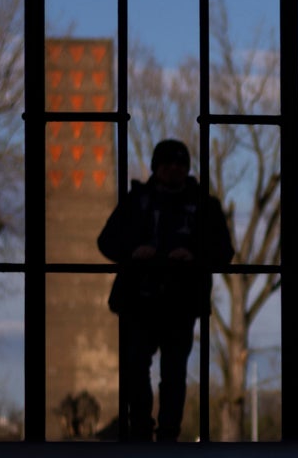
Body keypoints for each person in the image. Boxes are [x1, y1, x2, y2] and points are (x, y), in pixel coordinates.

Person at [97, 138, 232, 442]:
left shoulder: (150, 201)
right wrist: (134, 252)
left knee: (166, 372)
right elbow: (107, 241)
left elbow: (223, 251)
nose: (174, 168)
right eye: (168, 163)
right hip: (151, 301)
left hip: (171, 302)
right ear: (157, 167)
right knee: (148, 369)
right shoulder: (189, 204)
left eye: (180, 163)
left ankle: (157, 433)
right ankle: (150, 432)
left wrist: (193, 256)